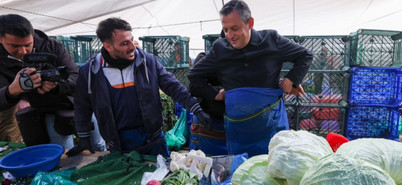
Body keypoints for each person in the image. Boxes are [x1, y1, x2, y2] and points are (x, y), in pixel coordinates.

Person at [67, 17, 212, 157]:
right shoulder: (91, 72)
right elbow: (82, 106)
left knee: (162, 179)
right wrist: (84, 136)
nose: (132, 47)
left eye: (131, 40)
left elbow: (173, 86)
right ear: (107, 46)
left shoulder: (147, 62)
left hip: (154, 140)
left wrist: (196, 108)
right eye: (124, 43)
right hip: (119, 144)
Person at [188, 0, 313, 157]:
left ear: (250, 23)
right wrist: (214, 94)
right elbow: (194, 76)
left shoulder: (271, 40)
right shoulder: (220, 48)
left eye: (235, 28)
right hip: (238, 130)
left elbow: (305, 55)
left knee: (274, 164)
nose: (230, 36)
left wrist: (291, 79)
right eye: (225, 30)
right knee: (241, 170)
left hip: (270, 125)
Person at [0, 14, 105, 150]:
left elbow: (76, 76)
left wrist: (56, 85)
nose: (23, 51)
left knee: (98, 145)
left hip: (78, 105)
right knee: (63, 153)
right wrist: (13, 90)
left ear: (32, 35)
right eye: (15, 46)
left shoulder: (51, 46)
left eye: (28, 45)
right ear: (1, 39)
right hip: (45, 114)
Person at [189, 52, 227, 155]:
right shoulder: (204, 58)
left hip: (233, 126)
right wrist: (216, 94)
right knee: (201, 163)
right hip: (208, 124)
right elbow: (193, 87)